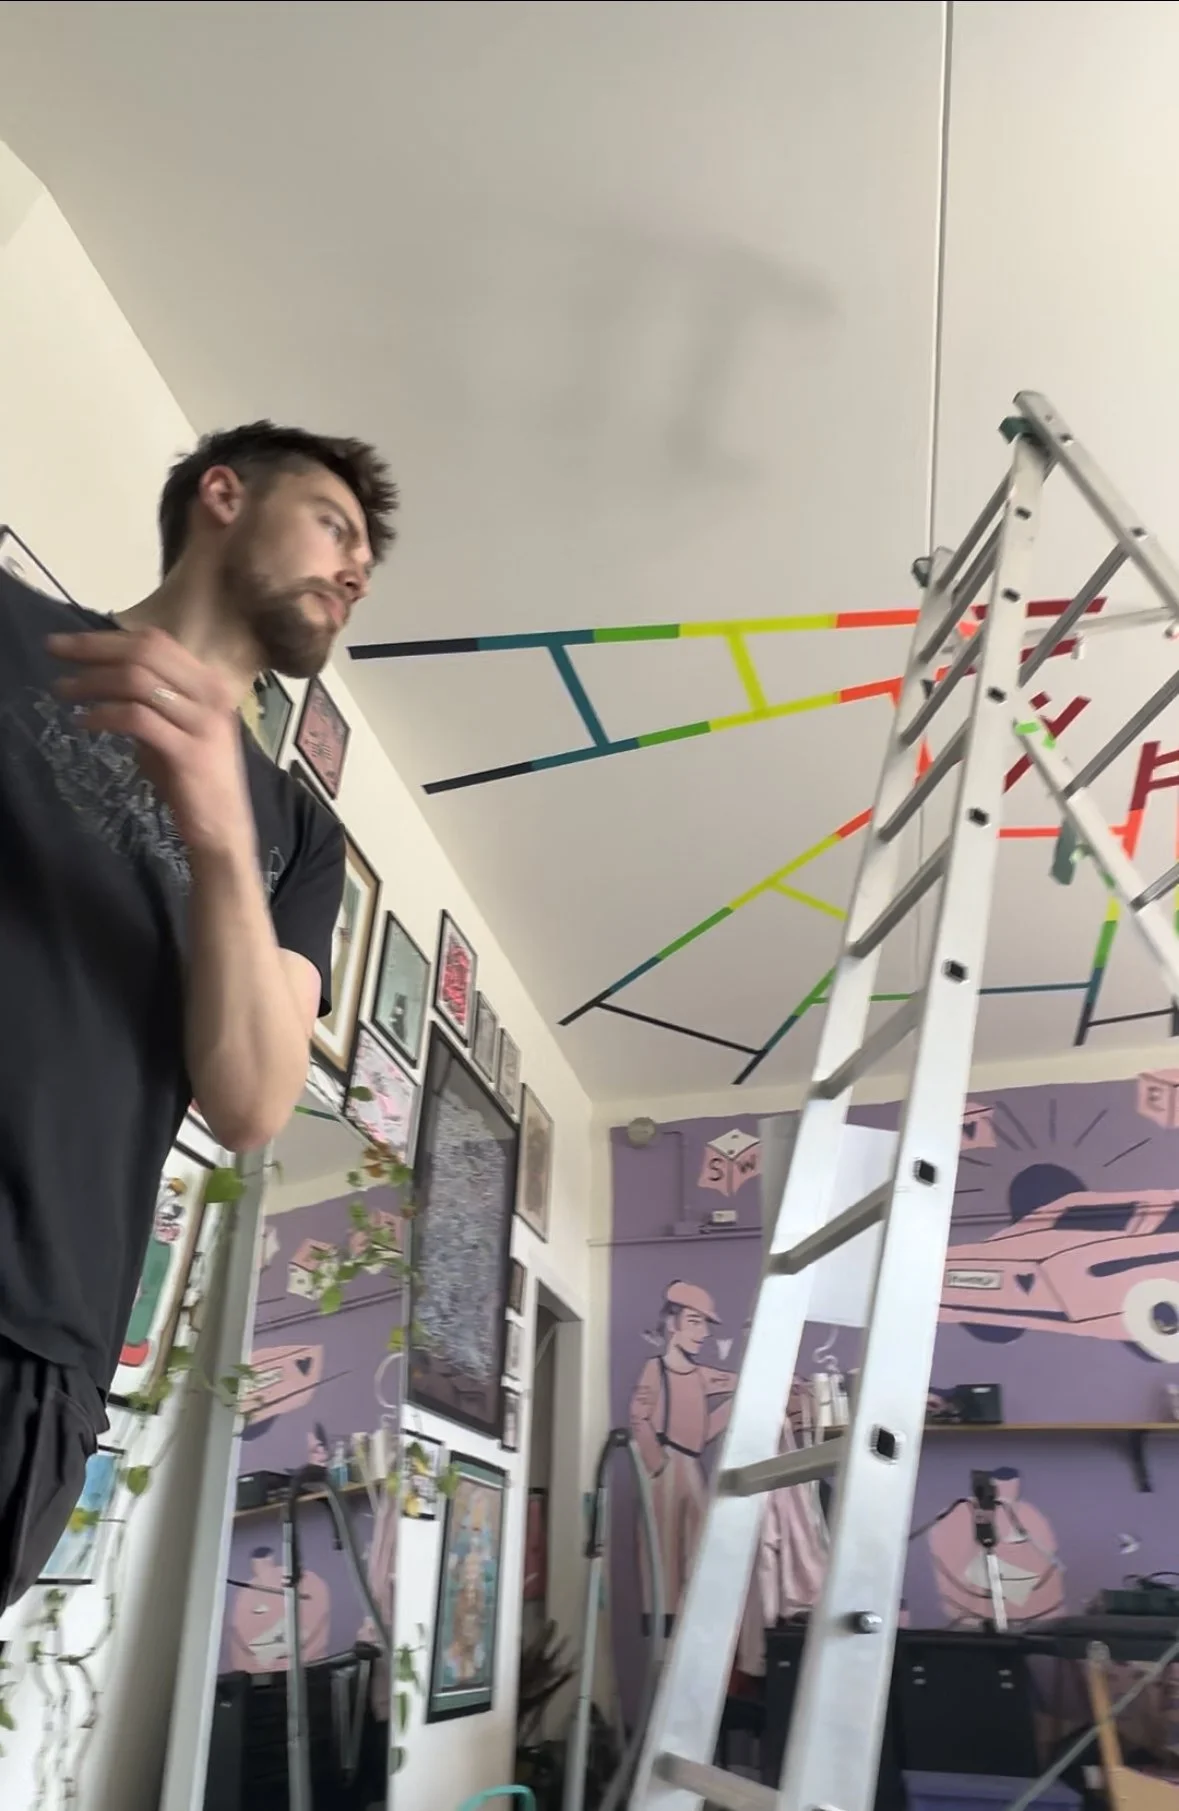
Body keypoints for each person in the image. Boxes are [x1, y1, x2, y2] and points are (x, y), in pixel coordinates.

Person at [0, 421, 398, 1613]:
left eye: (369, 555)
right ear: (222, 495)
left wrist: (222, 834)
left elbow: (252, 1098)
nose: (357, 566)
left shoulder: (297, 832)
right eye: (335, 523)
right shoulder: (13, 633)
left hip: (38, 1356)